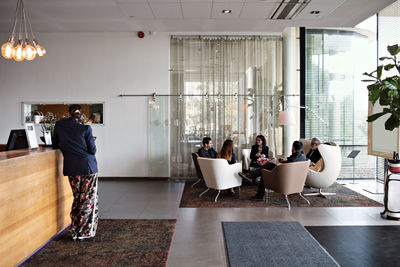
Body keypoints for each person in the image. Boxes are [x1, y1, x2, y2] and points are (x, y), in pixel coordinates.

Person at [53, 104, 99, 241]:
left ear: (69, 113)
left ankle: (75, 230)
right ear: (81, 115)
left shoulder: (59, 126)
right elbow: (93, 150)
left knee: (77, 198)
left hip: (72, 168)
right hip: (87, 167)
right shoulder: (85, 128)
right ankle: (85, 232)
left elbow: (56, 144)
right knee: (88, 199)